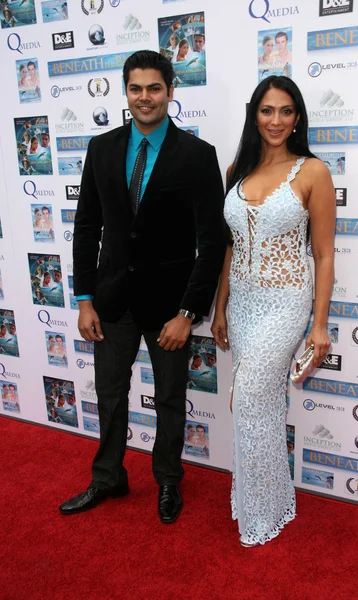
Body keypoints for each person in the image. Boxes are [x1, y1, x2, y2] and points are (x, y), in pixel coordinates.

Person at [59, 50, 225, 522]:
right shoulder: (102, 148)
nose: (145, 97)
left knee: (171, 398)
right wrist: (85, 298)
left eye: (155, 88)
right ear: (126, 92)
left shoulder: (197, 156)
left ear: (171, 91)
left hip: (169, 309)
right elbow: (87, 227)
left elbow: (211, 243)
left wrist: (188, 313)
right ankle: (108, 477)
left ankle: (169, 481)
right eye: (137, 88)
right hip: (111, 301)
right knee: (110, 395)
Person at [211, 75, 335, 547]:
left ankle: (264, 510)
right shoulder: (235, 172)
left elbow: (323, 253)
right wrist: (219, 307)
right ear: (254, 115)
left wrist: (318, 325)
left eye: (286, 111)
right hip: (241, 301)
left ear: (297, 117)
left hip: (286, 301)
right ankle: (269, 497)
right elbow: (229, 248)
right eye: (267, 110)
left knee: (248, 399)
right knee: (255, 404)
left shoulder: (312, 172)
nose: (276, 120)